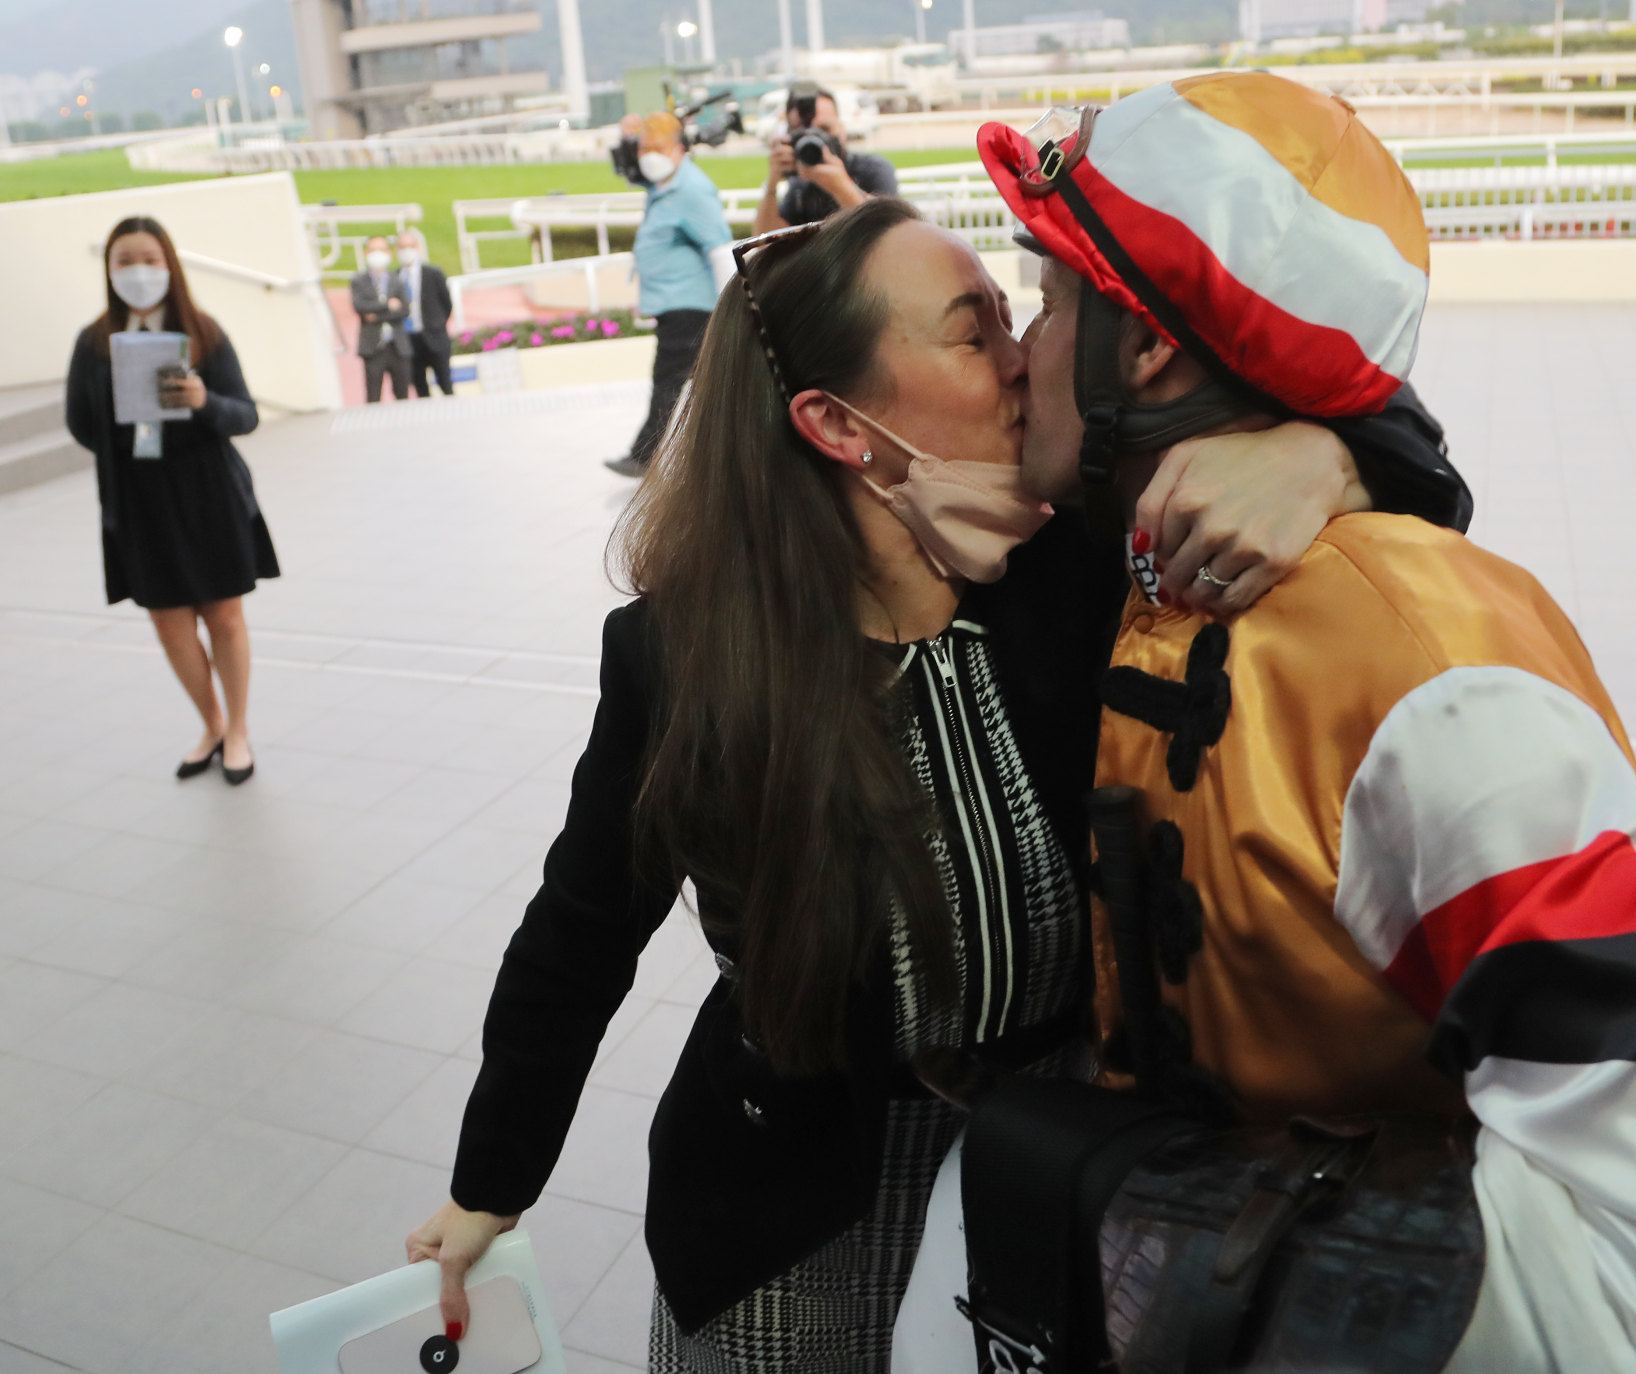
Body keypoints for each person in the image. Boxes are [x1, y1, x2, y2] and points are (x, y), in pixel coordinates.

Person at [403, 198, 1470, 1370]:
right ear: (836, 421)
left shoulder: (1087, 569)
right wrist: (487, 1187)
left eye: (1016, 319)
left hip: (1054, 1161)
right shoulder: (685, 657)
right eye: (973, 334)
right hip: (795, 1194)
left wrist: (1328, 455)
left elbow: (1424, 507)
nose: (1026, 361)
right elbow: (580, 933)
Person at [902, 76, 1636, 1372]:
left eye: (1044, 302)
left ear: (1144, 351)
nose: (1020, 354)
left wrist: (1179, 1248)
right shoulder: (1118, 565)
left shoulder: (1442, 677)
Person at [64, 215, 276, 784]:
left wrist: (203, 400)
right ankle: (210, 724)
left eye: (149, 259)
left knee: (224, 615)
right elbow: (79, 424)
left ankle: (239, 730)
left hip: (207, 492)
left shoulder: (204, 331)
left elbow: (246, 415)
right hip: (139, 500)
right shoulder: (93, 342)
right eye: (124, 260)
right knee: (169, 620)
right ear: (109, 270)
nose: (138, 271)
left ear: (170, 264)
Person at [604, 110, 735, 479]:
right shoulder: (663, 184)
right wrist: (625, 136)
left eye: (656, 148)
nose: (648, 155)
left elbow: (719, 248)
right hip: (674, 304)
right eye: (643, 148)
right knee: (690, 382)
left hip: (690, 306)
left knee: (670, 379)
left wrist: (733, 305)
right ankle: (665, 455)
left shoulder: (692, 189)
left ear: (680, 149)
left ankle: (646, 454)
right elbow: (627, 170)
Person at [751, 83, 898, 235]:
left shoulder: (874, 170)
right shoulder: (800, 184)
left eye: (824, 130)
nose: (813, 140)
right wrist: (771, 185)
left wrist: (842, 187)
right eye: (801, 132)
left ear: (841, 130)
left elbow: (887, 236)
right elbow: (766, 242)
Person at [351, 235, 412, 403]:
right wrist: (387, 305)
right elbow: (360, 307)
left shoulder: (397, 279)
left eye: (381, 250)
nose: (377, 254)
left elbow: (404, 309)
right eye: (373, 250)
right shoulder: (359, 280)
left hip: (397, 346)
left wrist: (376, 314)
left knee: (402, 395)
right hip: (373, 347)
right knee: (373, 395)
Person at [395, 228, 455, 398]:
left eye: (410, 245)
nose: (406, 251)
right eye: (402, 247)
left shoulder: (433, 273)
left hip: (435, 337)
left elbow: (446, 304)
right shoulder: (395, 276)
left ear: (417, 246)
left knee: (446, 384)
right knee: (420, 388)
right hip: (410, 340)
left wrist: (437, 324)